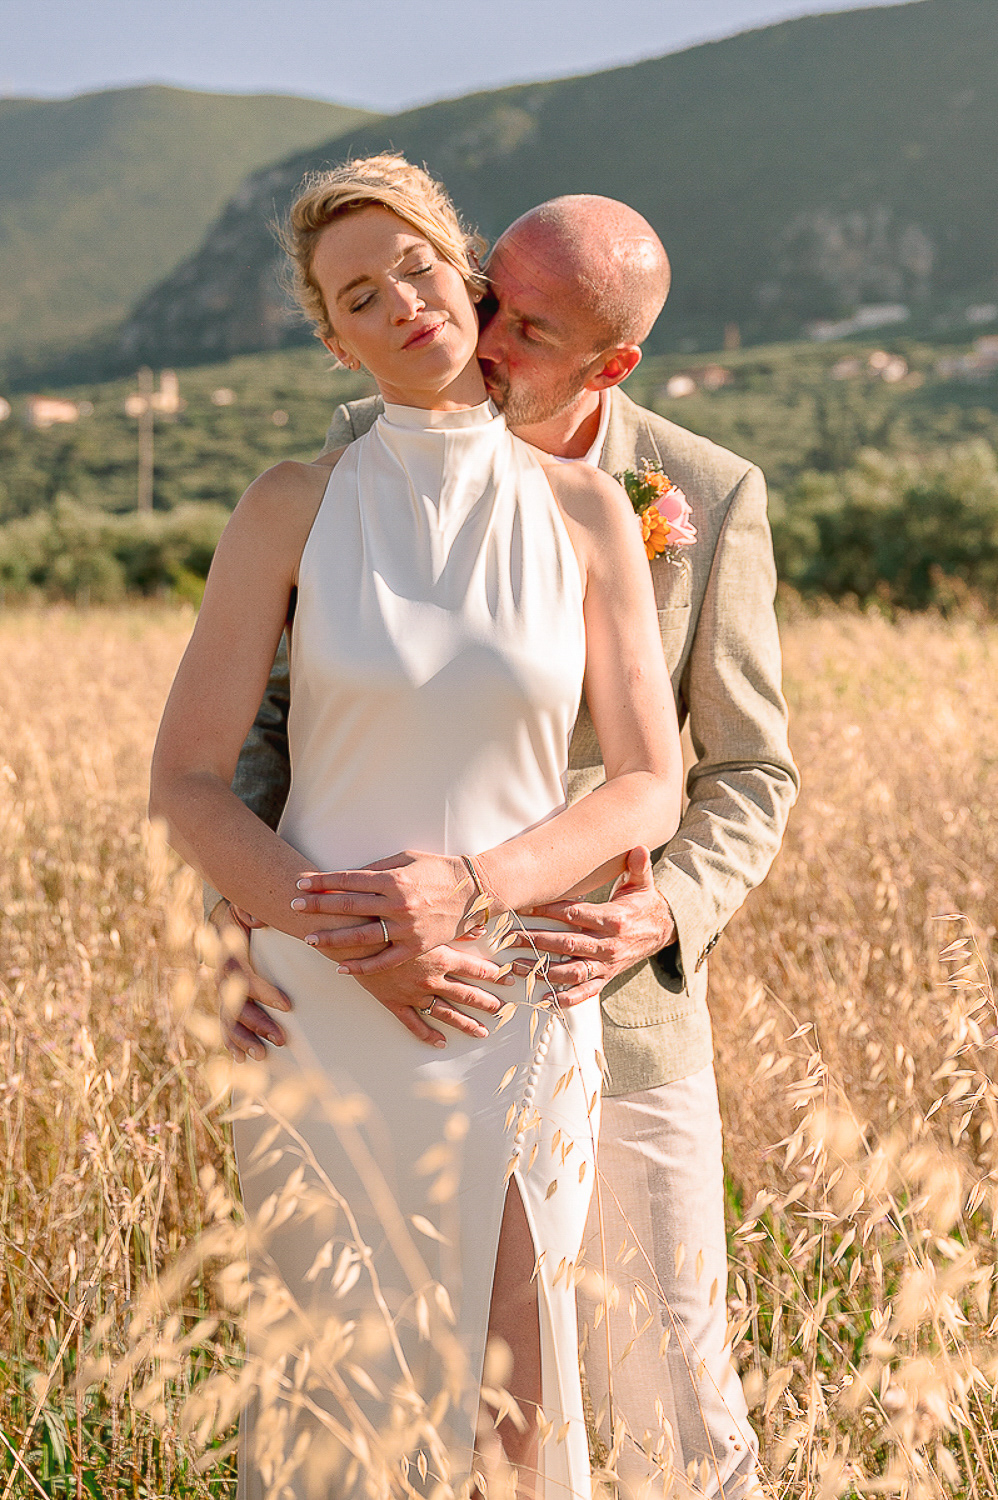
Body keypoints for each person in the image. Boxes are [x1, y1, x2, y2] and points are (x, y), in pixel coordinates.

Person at [218, 191, 800, 1498]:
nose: (480, 334)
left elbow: (749, 769)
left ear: (612, 364)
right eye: (489, 294)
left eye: (529, 328)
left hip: (602, 1001)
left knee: (670, 1403)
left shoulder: (701, 495)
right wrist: (244, 907)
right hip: (367, 987)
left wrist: (663, 912)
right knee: (371, 1399)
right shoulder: (351, 460)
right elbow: (265, 730)